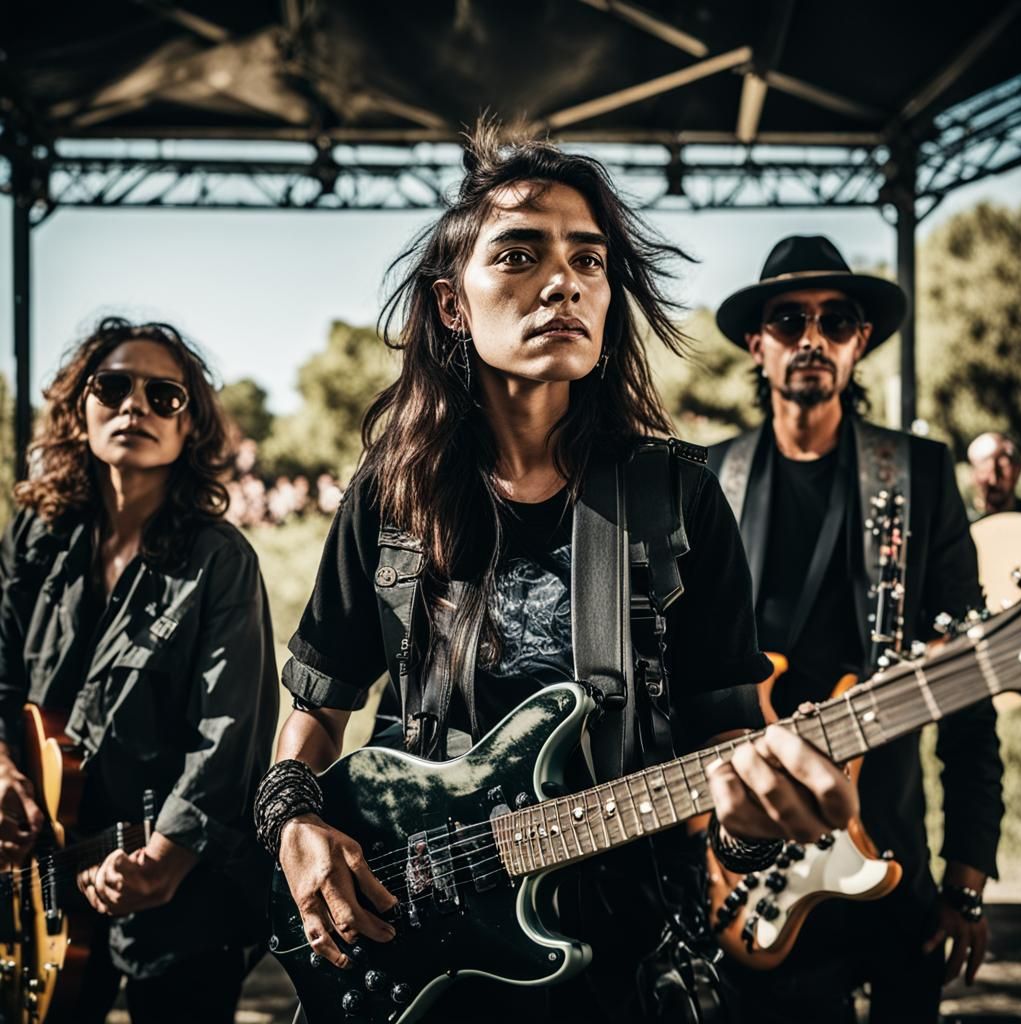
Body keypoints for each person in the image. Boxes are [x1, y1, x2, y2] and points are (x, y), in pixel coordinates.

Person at [255, 128, 859, 1023]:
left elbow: (729, 748)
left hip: (624, 965)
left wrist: (750, 829)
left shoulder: (680, 500)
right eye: (519, 255)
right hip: (418, 949)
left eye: (589, 260)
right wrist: (295, 825)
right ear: (452, 304)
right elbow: (314, 713)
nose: (564, 283)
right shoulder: (389, 497)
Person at [708, 235, 1004, 1023]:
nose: (812, 338)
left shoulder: (921, 475)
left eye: (835, 320)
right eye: (789, 320)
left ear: (860, 341)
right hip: (745, 870)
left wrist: (967, 878)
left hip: (891, 856)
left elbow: (969, 685)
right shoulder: (707, 481)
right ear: (757, 342)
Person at [0, 318, 280, 1023]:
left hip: (185, 895)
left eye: (164, 396)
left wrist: (169, 855)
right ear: (80, 408)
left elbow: (231, 733)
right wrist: (2, 771)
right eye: (113, 386)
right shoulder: (35, 536)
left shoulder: (220, 560)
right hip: (37, 889)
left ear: (191, 427)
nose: (135, 406)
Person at [967, 431, 1021, 520]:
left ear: (1017, 469)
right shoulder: (965, 524)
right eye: (984, 471)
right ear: (973, 475)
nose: (993, 481)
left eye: (1001, 469)